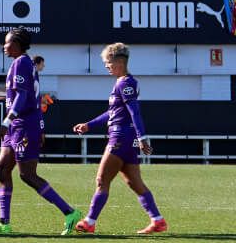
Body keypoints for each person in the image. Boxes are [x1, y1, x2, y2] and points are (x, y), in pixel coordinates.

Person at [0, 29, 78, 235]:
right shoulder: (23, 63)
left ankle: (70, 212)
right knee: (2, 168)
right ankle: (4, 223)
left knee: (27, 175)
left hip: (24, 125)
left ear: (17, 44)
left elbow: (22, 96)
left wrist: (6, 122)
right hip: (17, 125)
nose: (4, 46)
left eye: (7, 43)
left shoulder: (21, 63)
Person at [70, 43, 167, 235]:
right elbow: (113, 112)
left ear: (119, 62)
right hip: (126, 138)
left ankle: (89, 222)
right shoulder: (124, 82)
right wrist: (89, 125)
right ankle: (158, 221)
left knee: (102, 180)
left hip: (120, 137)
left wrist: (142, 137)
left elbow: (134, 112)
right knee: (134, 182)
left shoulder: (125, 83)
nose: (106, 66)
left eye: (108, 62)